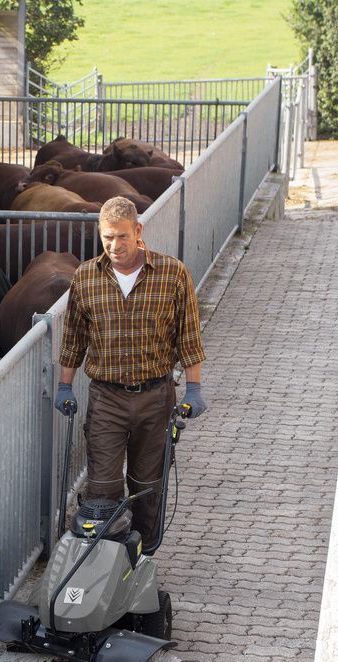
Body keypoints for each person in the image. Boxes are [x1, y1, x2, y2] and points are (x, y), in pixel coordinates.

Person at [55, 196, 207, 552]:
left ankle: (144, 555)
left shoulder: (172, 274)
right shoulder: (86, 277)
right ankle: (106, 559)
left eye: (122, 236)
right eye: (107, 237)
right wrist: (64, 386)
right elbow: (73, 339)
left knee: (147, 486)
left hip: (155, 397)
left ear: (138, 231)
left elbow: (188, 337)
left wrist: (194, 388)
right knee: (103, 487)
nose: (114, 245)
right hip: (106, 399)